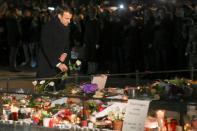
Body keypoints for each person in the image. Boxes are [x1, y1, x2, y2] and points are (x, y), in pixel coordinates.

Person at [37, 5, 73, 90]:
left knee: (60, 94)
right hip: (48, 67)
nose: (69, 21)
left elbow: (66, 44)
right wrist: (58, 63)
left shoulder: (66, 26)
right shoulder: (48, 27)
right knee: (46, 95)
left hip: (61, 67)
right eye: (67, 18)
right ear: (59, 16)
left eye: (70, 18)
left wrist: (65, 53)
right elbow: (46, 48)